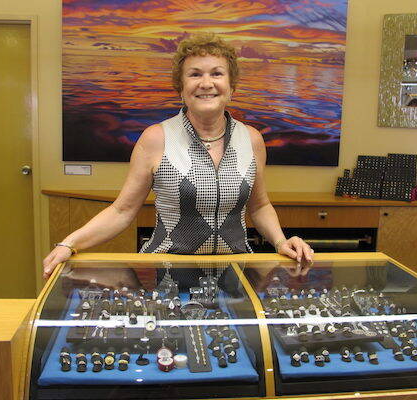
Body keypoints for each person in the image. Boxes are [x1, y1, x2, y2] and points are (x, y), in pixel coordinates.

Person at [43, 33, 313, 279]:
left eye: (217, 74)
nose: (206, 83)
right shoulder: (156, 138)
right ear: (181, 88)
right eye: (195, 74)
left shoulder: (252, 139)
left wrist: (281, 242)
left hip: (236, 273)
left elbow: (260, 206)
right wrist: (70, 243)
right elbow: (122, 210)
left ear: (232, 87)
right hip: (168, 272)